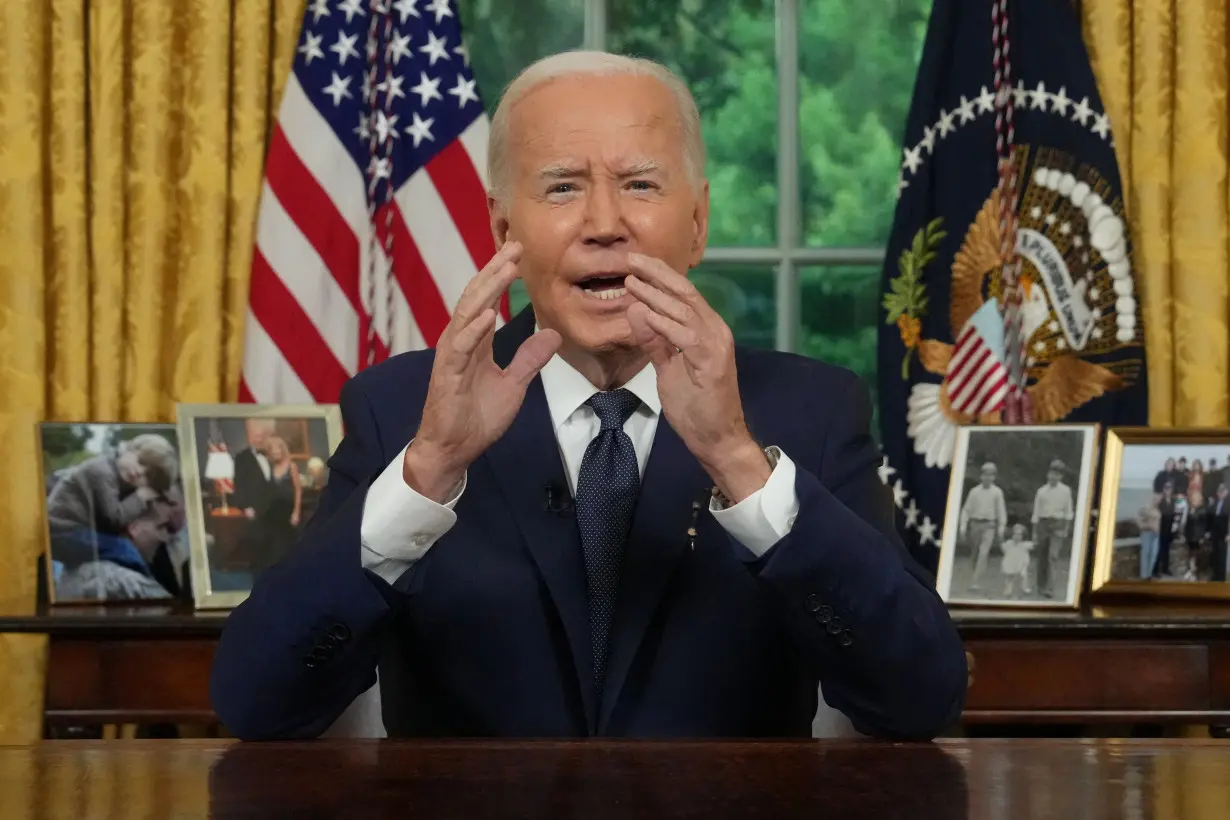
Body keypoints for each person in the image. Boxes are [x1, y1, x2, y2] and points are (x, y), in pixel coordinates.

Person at [210, 51, 966, 742]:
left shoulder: (811, 411)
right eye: (563, 187)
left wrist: (739, 462)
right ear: (503, 225)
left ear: (697, 223)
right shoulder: (401, 410)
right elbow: (257, 704)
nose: (606, 225)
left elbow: (919, 700)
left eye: (640, 185)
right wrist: (429, 471)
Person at [45, 433, 180, 580]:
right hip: (61, 531)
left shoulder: (118, 476)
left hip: (73, 531)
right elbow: (113, 518)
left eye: (148, 476)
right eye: (141, 461)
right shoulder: (102, 471)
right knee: (124, 549)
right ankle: (145, 585)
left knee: (120, 548)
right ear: (128, 449)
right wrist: (140, 497)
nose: (139, 472)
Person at [247, 435, 303, 577]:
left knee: (285, 544)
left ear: (283, 450)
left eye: (278, 450)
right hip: (272, 511)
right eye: (272, 451)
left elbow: (298, 490)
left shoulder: (291, 466)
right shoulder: (269, 466)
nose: (275, 453)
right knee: (270, 544)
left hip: (287, 511)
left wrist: (296, 512)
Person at [958, 462, 1006, 592]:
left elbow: (1001, 511)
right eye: (985, 475)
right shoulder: (974, 492)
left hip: (989, 525)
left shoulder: (997, 492)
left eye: (991, 475)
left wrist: (1001, 528)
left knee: (983, 553)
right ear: (981, 476)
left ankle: (975, 581)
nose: (988, 478)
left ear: (994, 477)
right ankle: (974, 576)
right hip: (975, 524)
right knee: (975, 553)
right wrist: (963, 526)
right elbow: (966, 510)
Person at [1031, 459, 1074, 598]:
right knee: (1042, 556)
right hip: (1043, 524)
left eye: (1057, 474)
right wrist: (1035, 532)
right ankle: (1040, 586)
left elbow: (1068, 512)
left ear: (1061, 476)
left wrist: (1066, 528)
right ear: (1048, 474)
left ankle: (1050, 588)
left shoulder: (1065, 491)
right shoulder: (1041, 491)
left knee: (1053, 556)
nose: (1053, 476)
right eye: (1051, 473)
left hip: (1058, 523)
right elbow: (1036, 513)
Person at [999, 523, 1033, 598]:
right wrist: (1001, 538)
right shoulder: (1009, 543)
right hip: (1011, 563)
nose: (1017, 537)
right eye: (1015, 534)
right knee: (1009, 577)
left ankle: (1024, 588)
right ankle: (1008, 589)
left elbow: (1033, 545)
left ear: (1023, 536)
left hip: (1022, 563)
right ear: (1012, 535)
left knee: (1023, 575)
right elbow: (1003, 548)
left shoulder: (1025, 545)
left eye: (1019, 535)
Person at [1208, 484, 1229, 582]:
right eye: (1218, 491)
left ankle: (1221, 578)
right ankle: (1215, 576)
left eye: (1222, 491)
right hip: (1215, 533)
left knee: (1222, 557)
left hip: (1224, 534)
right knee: (1215, 555)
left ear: (1226, 492)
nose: (1220, 493)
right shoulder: (1215, 502)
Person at [1136, 500, 1161, 580]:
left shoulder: (1157, 510)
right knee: (1146, 554)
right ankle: (1144, 576)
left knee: (1153, 554)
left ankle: (1149, 574)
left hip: (1156, 535)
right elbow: (1140, 523)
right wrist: (1150, 526)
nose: (1157, 498)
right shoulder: (1145, 509)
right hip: (1147, 534)